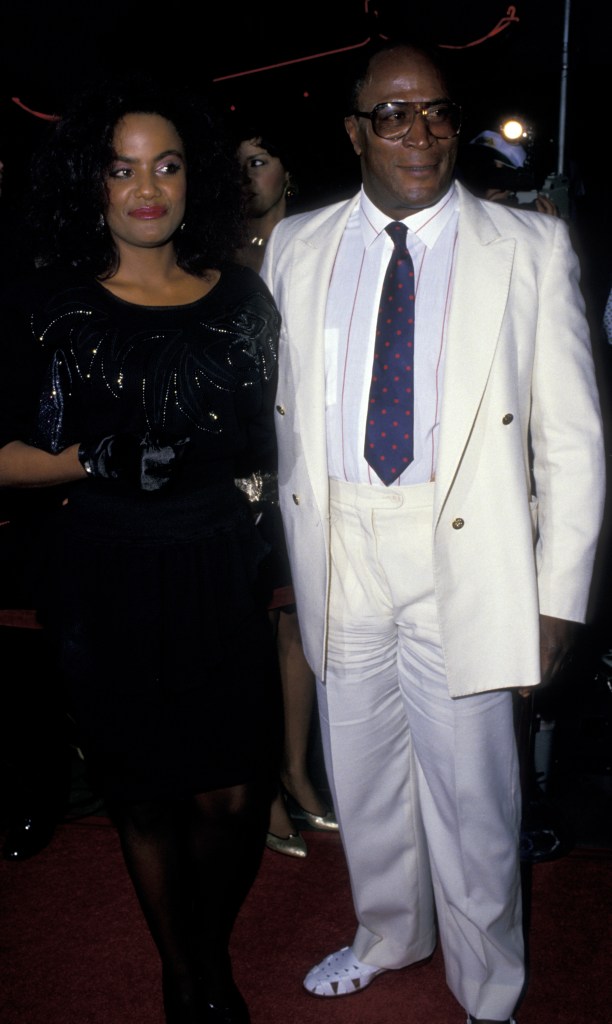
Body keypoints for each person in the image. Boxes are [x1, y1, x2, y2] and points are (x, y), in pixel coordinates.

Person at [261, 40, 605, 1024]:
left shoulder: (529, 247)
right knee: (362, 774)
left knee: (476, 794)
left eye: (439, 112)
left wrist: (553, 597)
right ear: (355, 131)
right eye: (394, 114)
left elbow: (573, 441)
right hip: (342, 538)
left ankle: (488, 981)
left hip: (465, 548)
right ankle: (388, 931)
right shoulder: (298, 244)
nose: (420, 132)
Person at [0, 79, 282, 1024]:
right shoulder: (50, 308)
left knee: (236, 796)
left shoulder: (242, 298)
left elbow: (274, 439)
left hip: (218, 572)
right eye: (122, 170)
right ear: (94, 184)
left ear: (193, 179)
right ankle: (191, 976)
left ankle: (201, 946)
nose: (147, 189)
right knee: (147, 797)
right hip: (105, 575)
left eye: (165, 165)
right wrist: (94, 456)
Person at [234, 126, 338, 857]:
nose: (247, 178)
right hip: (233, 468)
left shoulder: (319, 249)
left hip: (304, 464)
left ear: (288, 173)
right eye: (235, 166)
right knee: (242, 634)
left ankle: (298, 774)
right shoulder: (209, 255)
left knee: (302, 626)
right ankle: (260, 784)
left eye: (260, 162)